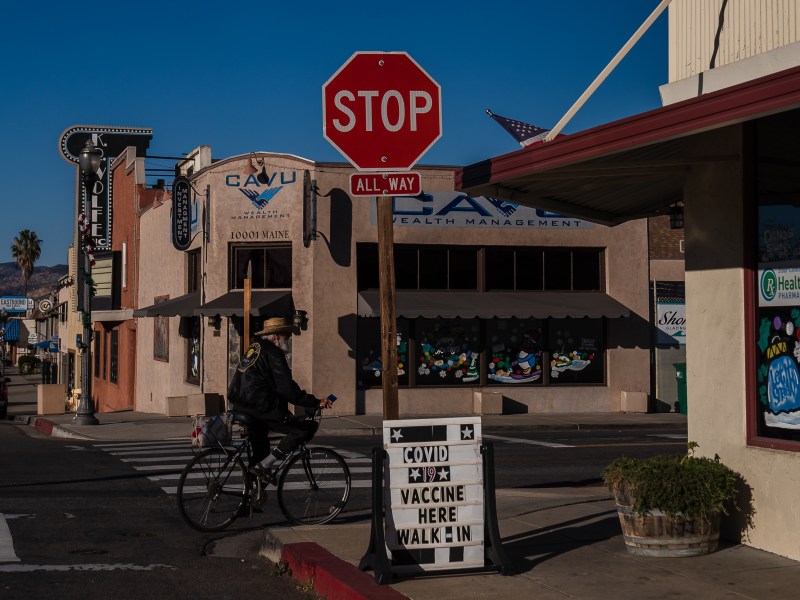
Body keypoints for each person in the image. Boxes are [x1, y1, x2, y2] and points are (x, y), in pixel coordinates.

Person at [227, 316, 333, 481]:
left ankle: (252, 496)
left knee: (260, 450)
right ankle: (264, 465)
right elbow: (286, 388)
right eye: (286, 335)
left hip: (241, 405)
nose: (289, 339)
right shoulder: (273, 352)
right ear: (276, 336)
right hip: (261, 407)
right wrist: (315, 401)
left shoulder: (255, 347)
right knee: (303, 429)